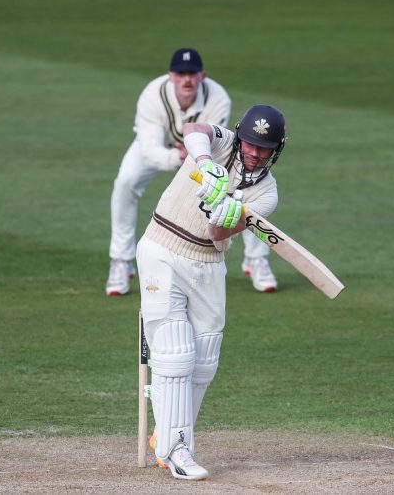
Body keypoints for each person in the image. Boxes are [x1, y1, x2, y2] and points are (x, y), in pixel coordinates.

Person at [137, 104, 287, 480]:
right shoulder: (222, 145)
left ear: (276, 150)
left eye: (263, 149)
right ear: (241, 138)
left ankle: (165, 433)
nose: (254, 153)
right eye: (250, 145)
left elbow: (218, 236)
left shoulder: (266, 195)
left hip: (207, 265)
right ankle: (177, 449)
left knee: (204, 360)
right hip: (162, 247)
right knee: (175, 351)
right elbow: (193, 126)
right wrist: (205, 164)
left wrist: (221, 213)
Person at [106, 48, 277, 296]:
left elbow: (212, 136)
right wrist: (177, 157)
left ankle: (256, 259)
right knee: (125, 182)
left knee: (243, 190)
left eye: (192, 74)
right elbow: (150, 148)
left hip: (204, 151)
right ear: (170, 76)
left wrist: (199, 156)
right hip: (164, 147)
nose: (187, 79)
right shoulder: (152, 95)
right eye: (181, 73)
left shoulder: (218, 98)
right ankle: (120, 261)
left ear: (202, 76)